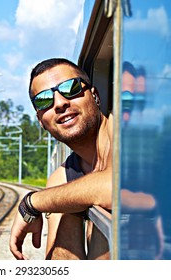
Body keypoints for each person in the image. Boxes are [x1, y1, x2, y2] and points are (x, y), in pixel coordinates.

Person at [9, 58, 113, 260]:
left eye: (71, 88)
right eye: (44, 100)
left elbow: (116, 187)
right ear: (41, 121)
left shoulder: (122, 129)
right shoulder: (61, 179)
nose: (60, 103)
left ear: (94, 95)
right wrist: (69, 209)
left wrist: (32, 202)